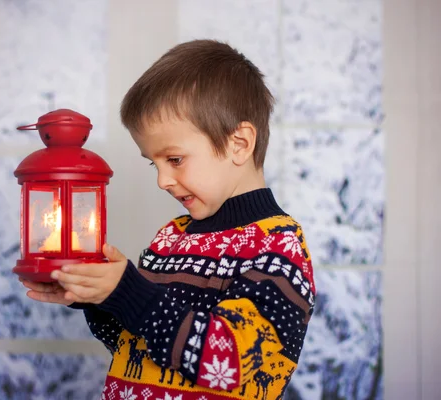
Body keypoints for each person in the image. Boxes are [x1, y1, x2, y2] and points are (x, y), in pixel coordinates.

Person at [20, 39, 315, 400]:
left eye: (174, 160)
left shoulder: (278, 246)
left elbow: (229, 361)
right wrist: (96, 296)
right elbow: (137, 345)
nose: (162, 181)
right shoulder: (171, 237)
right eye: (153, 163)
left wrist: (128, 291)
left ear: (239, 143)